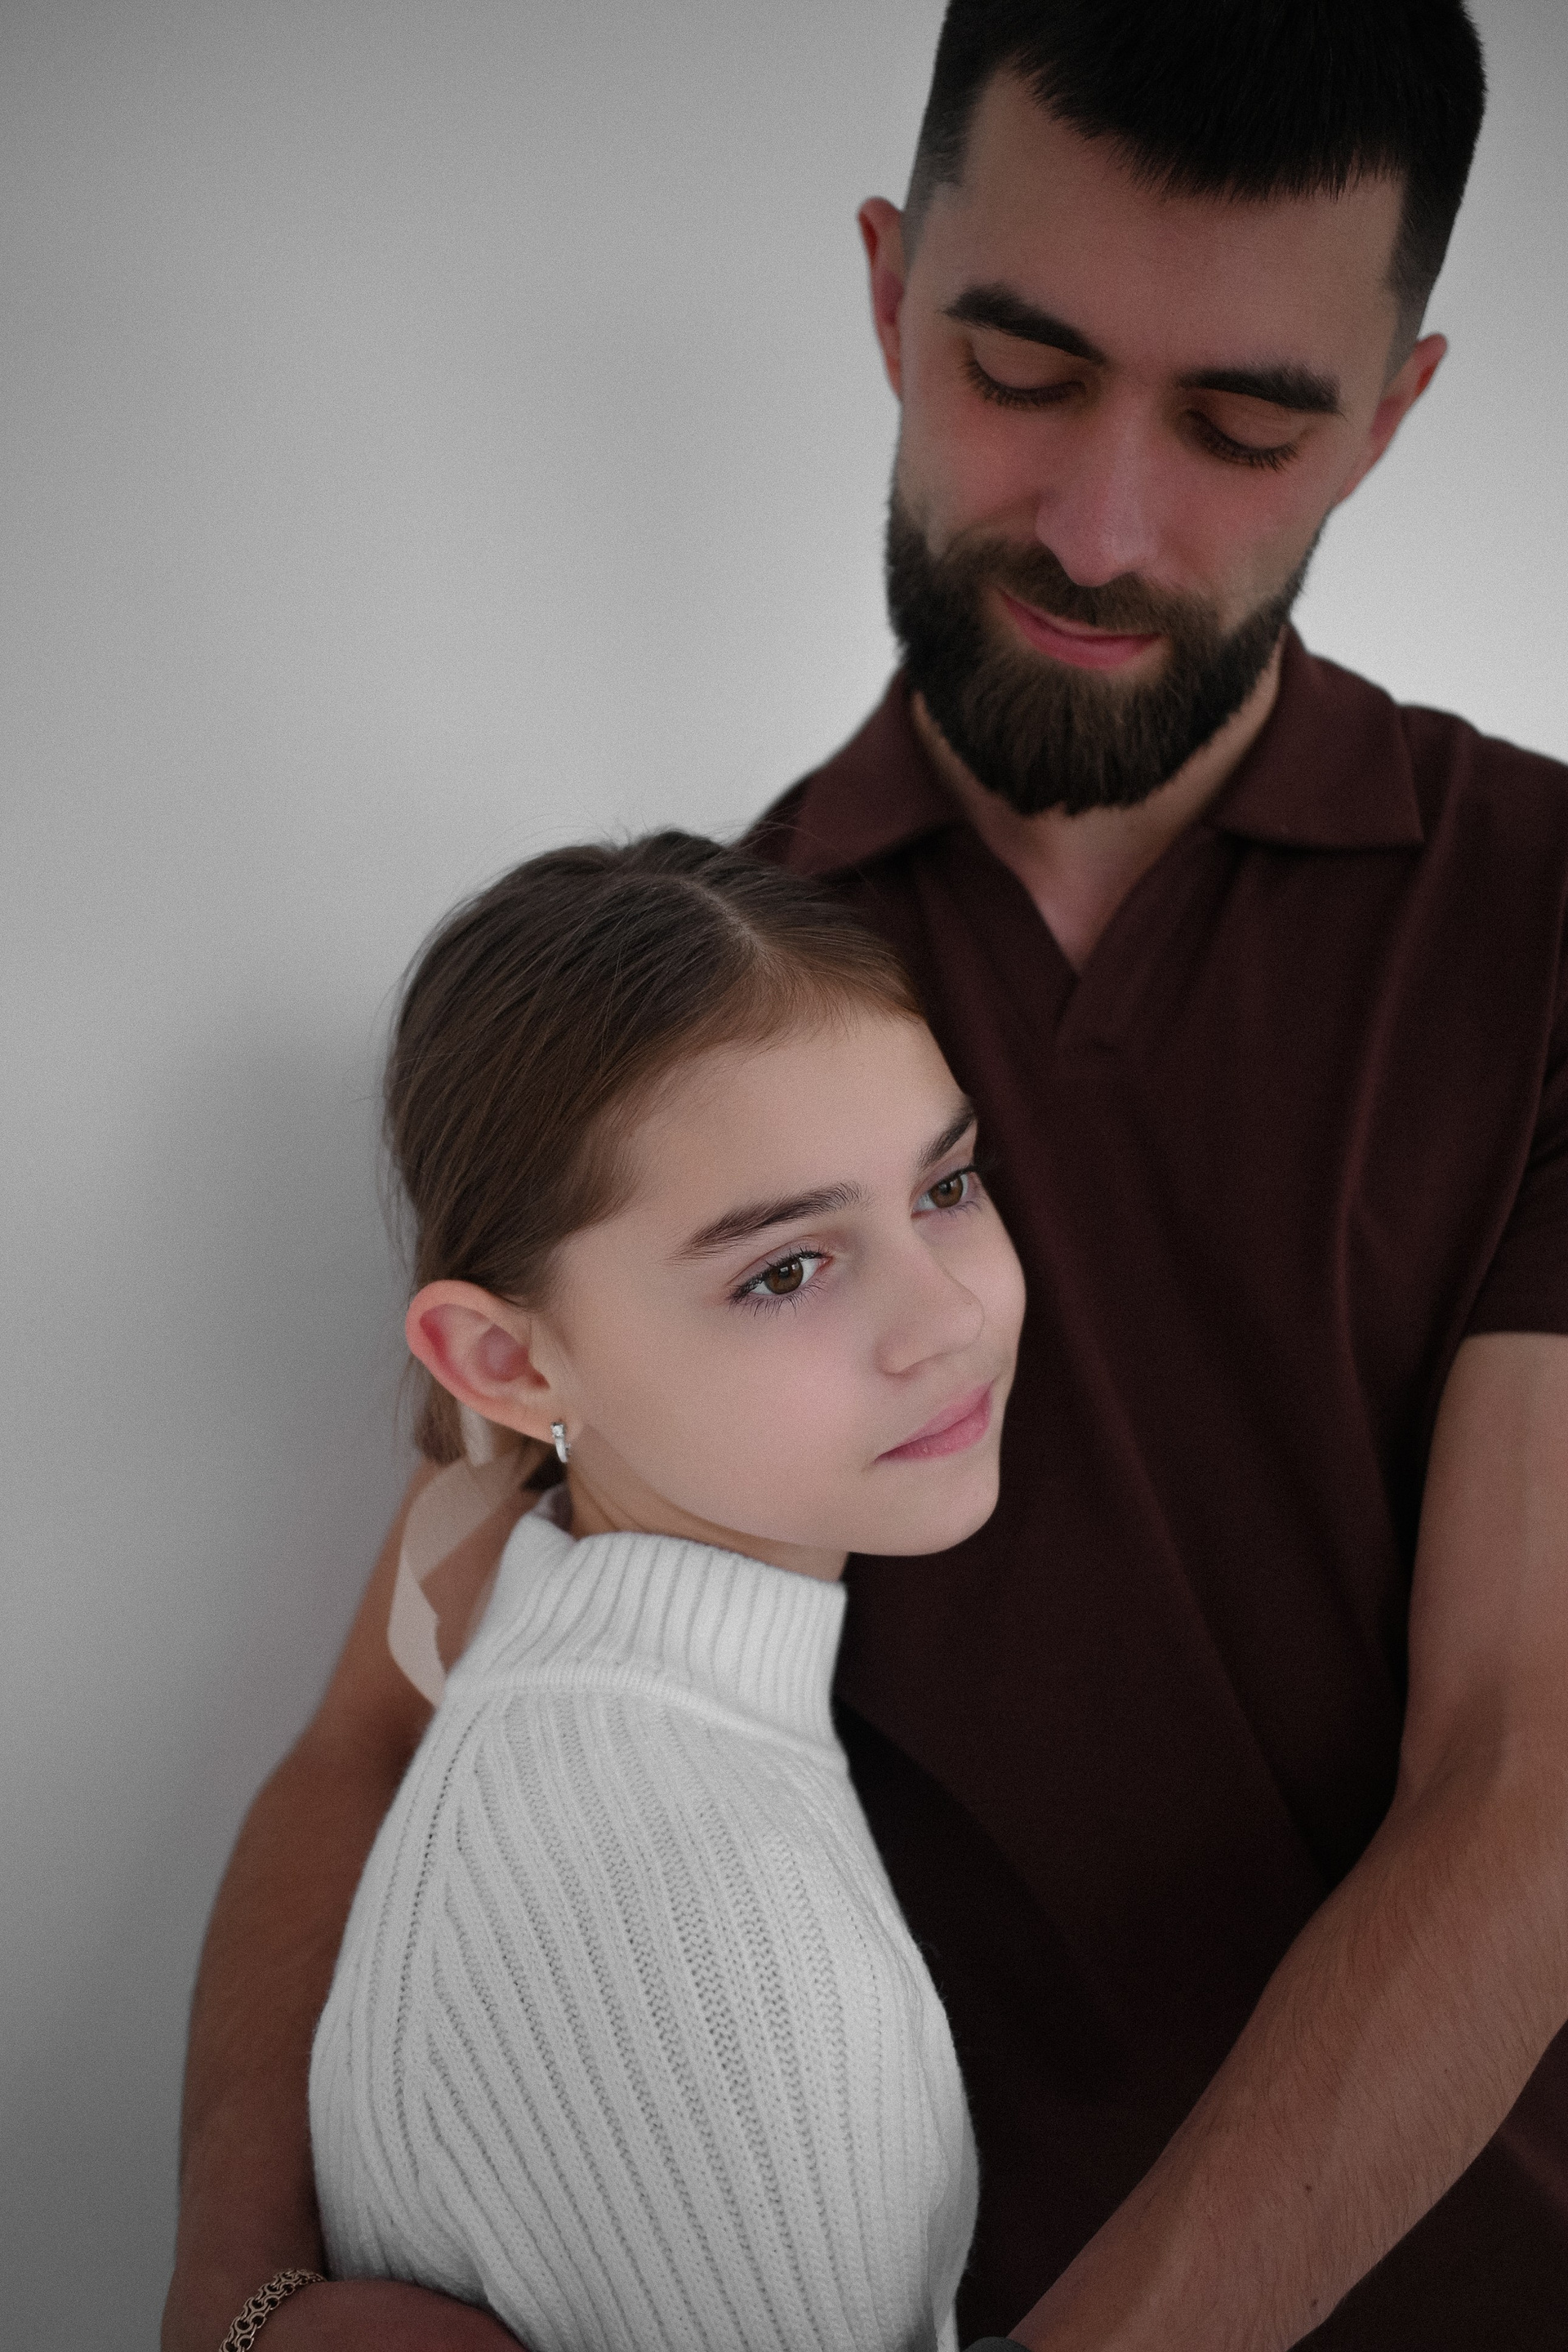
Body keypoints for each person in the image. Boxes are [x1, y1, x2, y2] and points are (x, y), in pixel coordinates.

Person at [163, 5, 1568, 2349]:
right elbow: (382, 1723)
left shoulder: (1540, 920)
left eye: (1240, 428)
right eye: (1021, 370)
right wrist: (242, 2300)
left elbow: (1532, 1769)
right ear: (893, 295)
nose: (1102, 528)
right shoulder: (689, 1018)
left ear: (1393, 415)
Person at [309, 832, 1024, 2352]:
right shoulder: (700, 1931)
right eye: (786, 1270)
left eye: (948, 1187)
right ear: (510, 1363)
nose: (949, 1316)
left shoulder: (611, 1725)